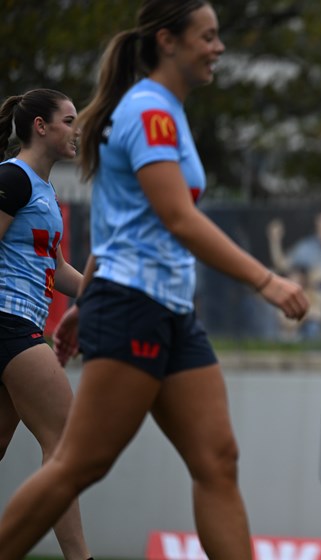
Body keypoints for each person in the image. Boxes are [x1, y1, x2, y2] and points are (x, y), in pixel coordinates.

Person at [0, 2, 308, 559]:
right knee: (77, 462)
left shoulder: (167, 113)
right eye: (206, 37)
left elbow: (119, 226)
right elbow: (177, 218)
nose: (218, 48)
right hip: (133, 307)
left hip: (169, 311)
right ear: (167, 41)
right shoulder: (148, 111)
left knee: (217, 460)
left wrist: (82, 302)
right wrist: (266, 281)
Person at [0, 89, 94, 560]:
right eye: (69, 120)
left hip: (18, 325)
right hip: (9, 323)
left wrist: (106, 292)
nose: (77, 129)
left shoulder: (44, 191)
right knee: (65, 443)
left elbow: (55, 269)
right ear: (40, 126)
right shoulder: (11, 179)